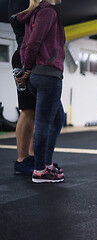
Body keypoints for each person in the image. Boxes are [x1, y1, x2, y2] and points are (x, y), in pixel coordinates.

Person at [16, 0, 65, 183]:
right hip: (47, 75)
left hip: (39, 75)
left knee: (58, 119)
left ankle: (46, 164)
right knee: (44, 123)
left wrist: (26, 69)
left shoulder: (36, 12)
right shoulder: (48, 12)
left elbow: (24, 44)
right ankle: (39, 170)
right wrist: (27, 67)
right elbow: (33, 42)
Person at [8, 0, 36, 176]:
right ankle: (21, 160)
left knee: (35, 111)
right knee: (26, 110)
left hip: (34, 59)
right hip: (23, 58)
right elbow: (17, 18)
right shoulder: (18, 2)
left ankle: (31, 157)